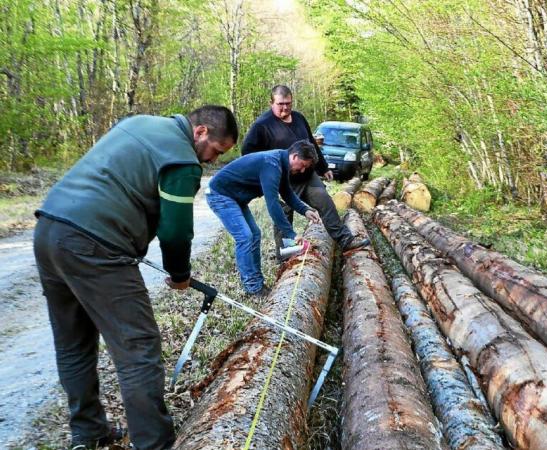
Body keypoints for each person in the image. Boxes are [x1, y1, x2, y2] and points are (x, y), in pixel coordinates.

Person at [33, 106, 237, 450]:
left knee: (73, 342)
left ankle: (88, 431)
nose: (212, 160)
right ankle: (154, 443)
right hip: (96, 244)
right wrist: (180, 274)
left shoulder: (138, 123)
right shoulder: (182, 159)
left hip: (49, 229)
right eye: (216, 151)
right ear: (200, 132)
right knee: (138, 348)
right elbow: (175, 232)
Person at [241, 85, 369, 254]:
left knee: (325, 202)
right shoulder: (262, 125)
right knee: (283, 217)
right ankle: (285, 254)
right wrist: (264, 174)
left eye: (288, 103)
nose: (285, 107)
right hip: (282, 181)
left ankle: (344, 239)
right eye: (280, 104)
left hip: (308, 176)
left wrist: (323, 167)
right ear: (271, 102)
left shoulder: (299, 118)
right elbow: (247, 152)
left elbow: (311, 144)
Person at [206, 140, 322, 296]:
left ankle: (257, 283)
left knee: (255, 234)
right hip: (220, 195)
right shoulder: (272, 165)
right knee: (245, 237)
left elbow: (287, 193)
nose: (302, 170)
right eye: (302, 165)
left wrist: (305, 210)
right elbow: (273, 203)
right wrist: (291, 234)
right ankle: (253, 287)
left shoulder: (280, 163)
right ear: (294, 156)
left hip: (235, 198)